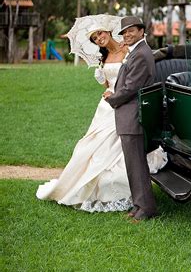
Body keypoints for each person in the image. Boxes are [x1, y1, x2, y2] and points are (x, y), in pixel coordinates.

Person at [36, 21, 166, 213]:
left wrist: (114, 96)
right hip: (108, 106)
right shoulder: (104, 58)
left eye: (100, 34)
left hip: (124, 104)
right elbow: (111, 84)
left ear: (108, 31)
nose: (99, 39)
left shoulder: (130, 51)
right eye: (95, 38)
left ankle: (138, 201)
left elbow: (132, 82)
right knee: (89, 147)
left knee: (125, 153)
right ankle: (82, 184)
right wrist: (107, 89)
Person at [103, 16, 158, 221]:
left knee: (136, 164)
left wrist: (112, 98)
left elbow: (131, 87)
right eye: (124, 32)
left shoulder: (142, 54)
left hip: (133, 115)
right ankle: (139, 205)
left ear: (142, 31)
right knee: (133, 163)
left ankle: (146, 208)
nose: (127, 34)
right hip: (128, 115)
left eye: (131, 30)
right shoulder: (136, 51)